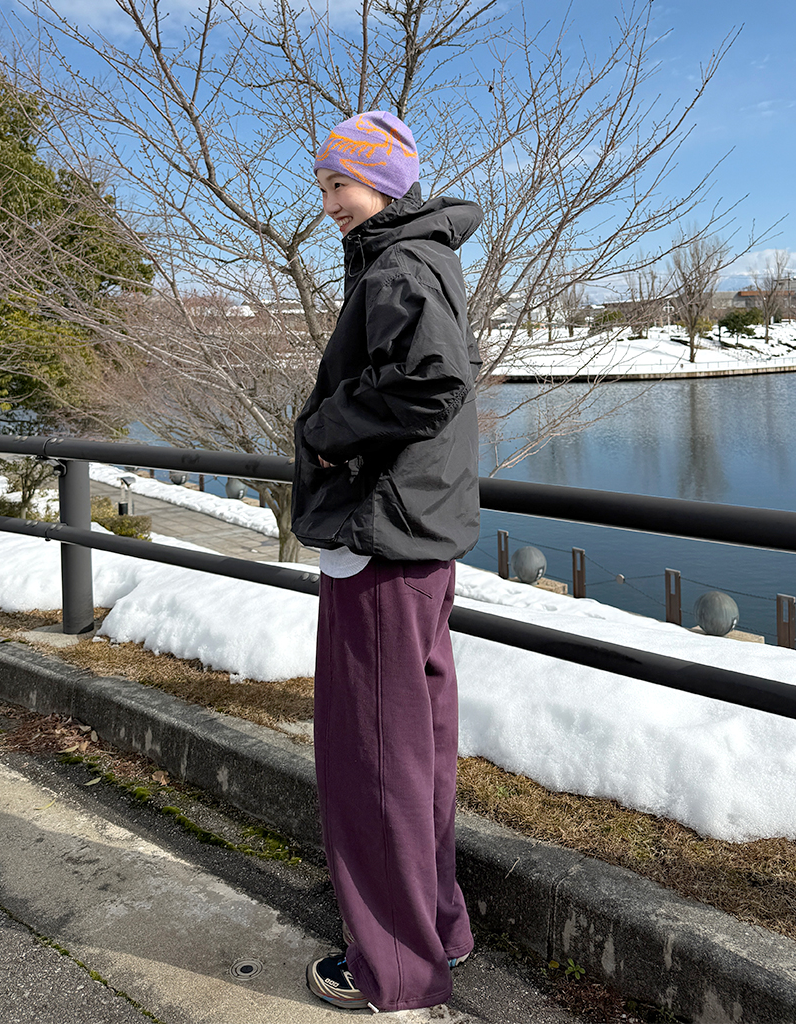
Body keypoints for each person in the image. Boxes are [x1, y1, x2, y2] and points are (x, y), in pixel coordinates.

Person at [291, 110, 482, 1014]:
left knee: (372, 760)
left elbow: (433, 381)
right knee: (418, 752)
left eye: (341, 183)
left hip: (381, 538)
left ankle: (396, 970)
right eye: (325, 185)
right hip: (418, 539)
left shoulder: (398, 264)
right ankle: (438, 930)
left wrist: (326, 430)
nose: (329, 201)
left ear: (385, 184)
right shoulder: (420, 256)